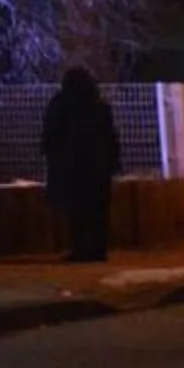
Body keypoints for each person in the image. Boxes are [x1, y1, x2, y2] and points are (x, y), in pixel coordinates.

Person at [41, 66, 122, 263]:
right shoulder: (100, 107)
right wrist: (113, 163)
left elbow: (51, 134)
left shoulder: (60, 104)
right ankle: (98, 249)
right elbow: (111, 138)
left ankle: (81, 249)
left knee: (76, 212)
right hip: (98, 169)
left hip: (71, 169)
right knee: (97, 212)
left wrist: (50, 155)